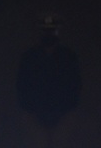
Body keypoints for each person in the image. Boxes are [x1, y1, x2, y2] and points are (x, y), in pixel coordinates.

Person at [15, 13, 81, 146]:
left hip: (63, 112)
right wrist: (30, 115)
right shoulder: (29, 57)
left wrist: (67, 116)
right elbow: (22, 86)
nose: (49, 35)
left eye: (52, 31)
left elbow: (75, 86)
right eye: (46, 32)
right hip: (34, 112)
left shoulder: (68, 56)